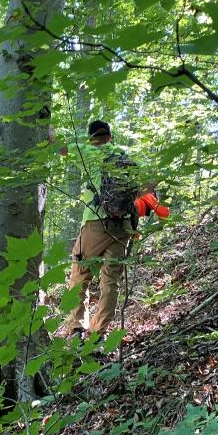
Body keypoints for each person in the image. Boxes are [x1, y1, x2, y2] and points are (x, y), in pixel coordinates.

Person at [60, 119, 157, 337]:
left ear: (91, 137)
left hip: (95, 223)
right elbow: (150, 186)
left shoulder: (87, 151)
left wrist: (46, 124)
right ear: (110, 137)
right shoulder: (125, 157)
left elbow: (57, 146)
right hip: (123, 227)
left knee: (79, 276)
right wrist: (128, 199)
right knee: (110, 282)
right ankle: (99, 334)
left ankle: (76, 329)